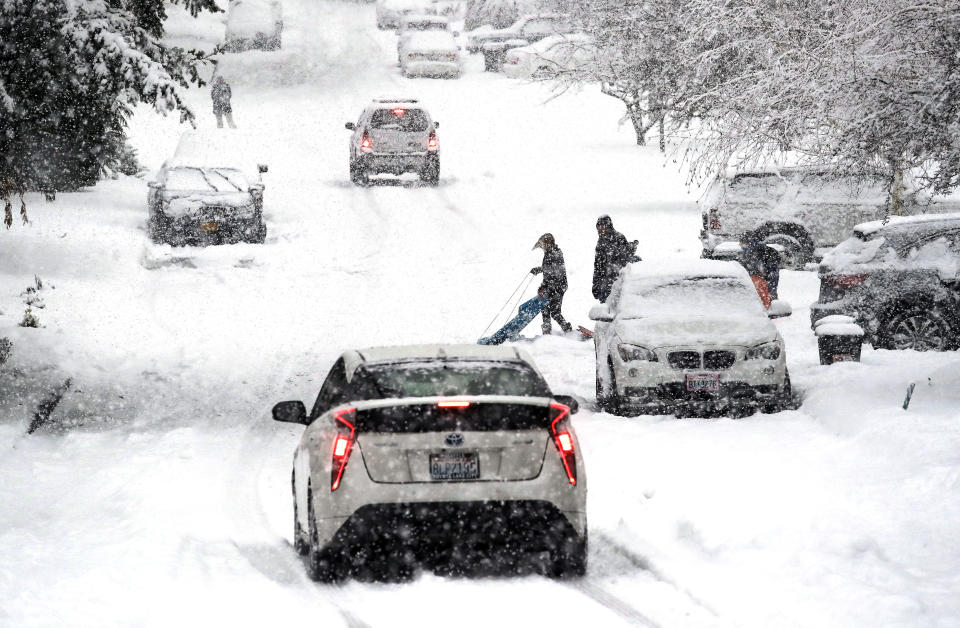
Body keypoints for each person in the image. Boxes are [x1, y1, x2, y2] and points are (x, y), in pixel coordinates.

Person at [530, 233, 572, 335]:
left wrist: (540, 269)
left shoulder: (556, 253)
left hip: (558, 286)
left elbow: (555, 271)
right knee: (544, 307)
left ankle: (568, 332)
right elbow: (548, 271)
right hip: (550, 286)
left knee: (555, 312)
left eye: (542, 245)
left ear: (548, 243)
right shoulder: (548, 253)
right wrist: (543, 286)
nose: (542, 247)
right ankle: (547, 332)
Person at [592, 215, 640, 303]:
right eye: (599, 227)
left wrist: (614, 270)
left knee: (616, 306)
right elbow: (598, 264)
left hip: (617, 280)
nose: (601, 229)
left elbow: (625, 256)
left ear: (609, 226)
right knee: (606, 308)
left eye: (604, 227)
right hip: (605, 281)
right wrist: (595, 283)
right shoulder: (600, 241)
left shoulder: (618, 237)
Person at [739, 231, 780, 307]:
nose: (740, 245)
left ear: (748, 242)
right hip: (764, 284)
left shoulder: (756, 252)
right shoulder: (751, 252)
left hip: (761, 285)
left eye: (741, 243)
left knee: (766, 297)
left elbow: (766, 273)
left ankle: (770, 305)